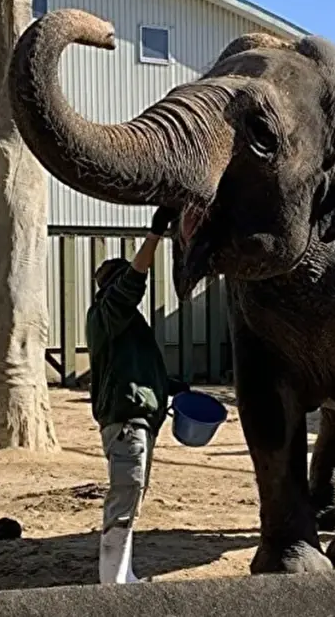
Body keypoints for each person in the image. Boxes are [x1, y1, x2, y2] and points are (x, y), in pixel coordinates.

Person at [87, 207, 189, 584]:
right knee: (124, 497)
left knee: (132, 498)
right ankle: (111, 582)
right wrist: (154, 235)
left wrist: (171, 388)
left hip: (137, 422)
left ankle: (123, 574)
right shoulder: (110, 312)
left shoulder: (125, 326)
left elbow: (136, 372)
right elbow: (134, 280)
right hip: (127, 425)